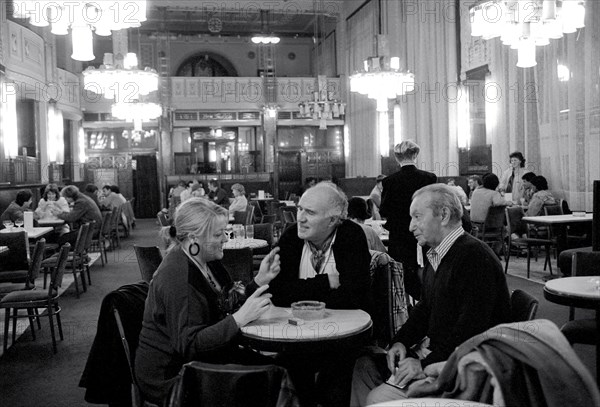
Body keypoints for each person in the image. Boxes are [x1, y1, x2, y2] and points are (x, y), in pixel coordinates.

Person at [351, 184, 511, 406]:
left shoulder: (473, 258)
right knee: (362, 367)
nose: (410, 226)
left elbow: (471, 333)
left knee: (376, 398)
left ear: (443, 215)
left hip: (462, 369)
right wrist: (401, 342)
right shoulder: (437, 253)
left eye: (417, 216)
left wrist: (423, 365)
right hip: (437, 355)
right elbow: (426, 308)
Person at [135, 198, 282, 405]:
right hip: (173, 376)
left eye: (225, 231)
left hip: (202, 359)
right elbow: (188, 344)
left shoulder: (206, 260)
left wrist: (258, 281)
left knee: (282, 368)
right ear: (194, 238)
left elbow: (226, 301)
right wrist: (239, 319)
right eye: (218, 234)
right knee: (274, 378)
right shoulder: (178, 278)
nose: (226, 239)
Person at [249, 181, 372, 407]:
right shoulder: (291, 237)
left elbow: (354, 297)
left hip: (342, 338)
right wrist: (327, 281)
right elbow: (277, 293)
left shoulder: (351, 236)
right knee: (289, 375)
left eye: (310, 212)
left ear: (333, 220)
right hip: (297, 337)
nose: (301, 218)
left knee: (335, 382)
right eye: (300, 209)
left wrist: (301, 293)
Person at [380, 140, 437, 299]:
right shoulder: (429, 178)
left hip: (399, 233)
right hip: (425, 229)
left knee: (401, 271)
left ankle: (404, 305)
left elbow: (384, 209)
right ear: (415, 155)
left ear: (397, 158)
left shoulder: (389, 181)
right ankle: (427, 298)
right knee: (428, 266)